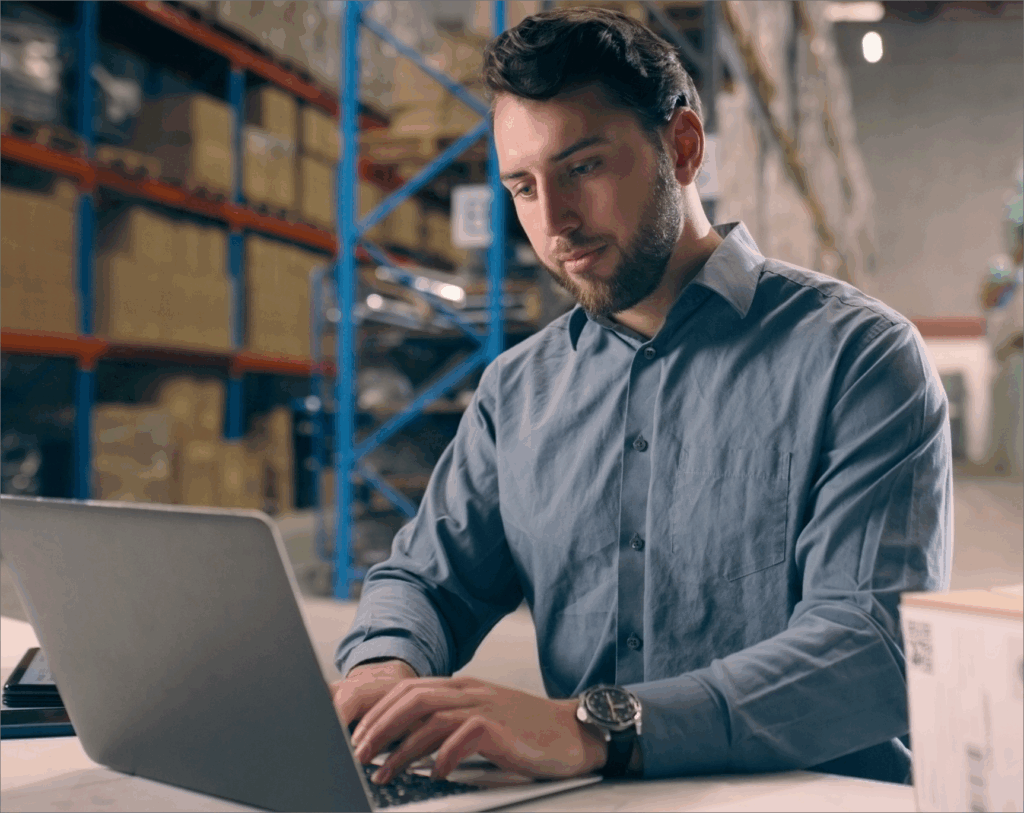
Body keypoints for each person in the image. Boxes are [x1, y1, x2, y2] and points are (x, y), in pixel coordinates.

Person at [331, 7, 952, 787]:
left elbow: (871, 648)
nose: (553, 223)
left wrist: (591, 726)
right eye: (523, 186)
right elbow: (426, 580)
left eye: (583, 167)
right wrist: (383, 667)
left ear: (682, 147)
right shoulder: (516, 392)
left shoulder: (859, 357)